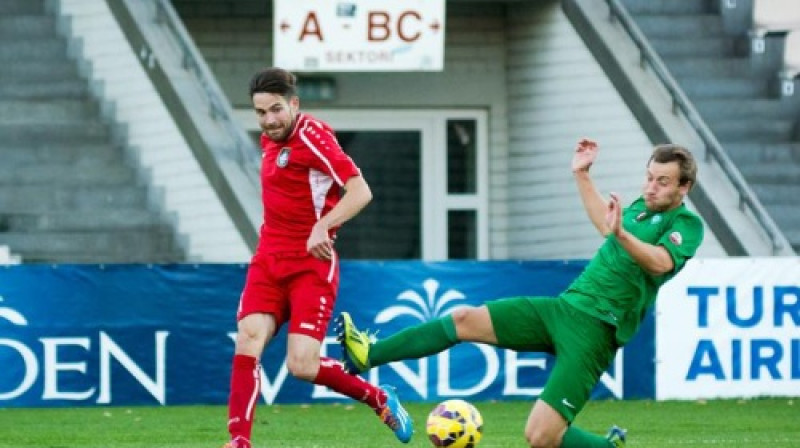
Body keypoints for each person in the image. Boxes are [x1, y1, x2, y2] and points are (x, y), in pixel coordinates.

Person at [337, 138, 704, 448]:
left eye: (663, 182)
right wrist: (581, 174)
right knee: (464, 318)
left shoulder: (686, 224)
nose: (650, 187)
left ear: (683, 188)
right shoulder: (641, 208)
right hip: (563, 308)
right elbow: (606, 226)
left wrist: (622, 235)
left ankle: (607, 446)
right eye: (649, 177)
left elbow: (659, 262)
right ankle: (367, 354)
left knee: (541, 436)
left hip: (596, 330)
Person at [223, 67, 413, 448]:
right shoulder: (270, 140)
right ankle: (239, 441)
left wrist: (322, 226)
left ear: (294, 104)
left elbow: (360, 192)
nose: (269, 120)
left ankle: (379, 398)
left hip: (311, 264)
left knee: (302, 365)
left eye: (276, 109)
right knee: (248, 338)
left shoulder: (313, 136)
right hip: (268, 260)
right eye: (261, 113)